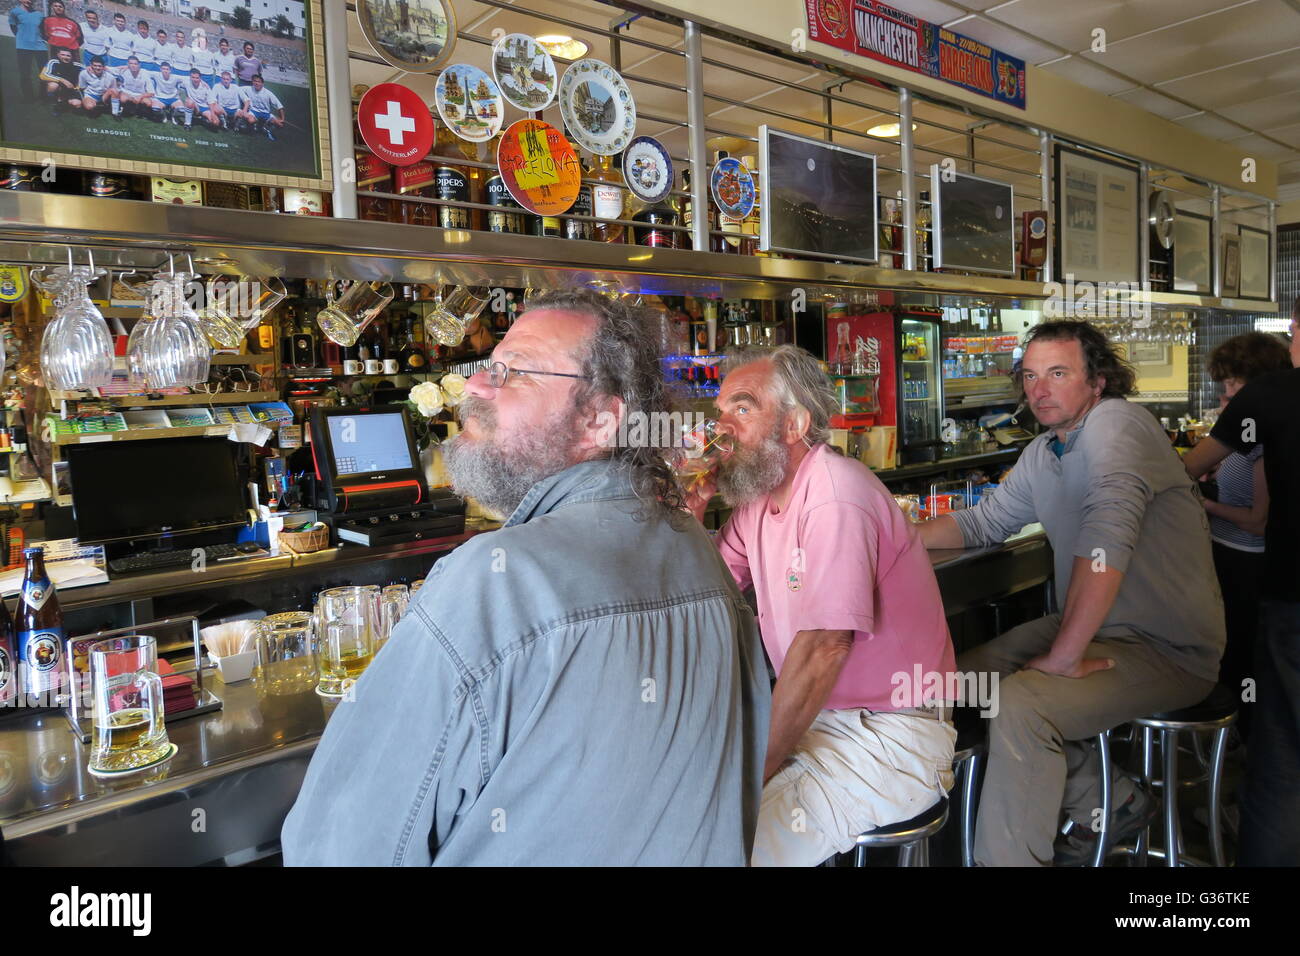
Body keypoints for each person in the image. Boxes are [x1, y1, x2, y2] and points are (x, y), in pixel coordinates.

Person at [281, 291, 770, 866]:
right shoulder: (702, 560)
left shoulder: (494, 583)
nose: (475, 388)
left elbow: (338, 847)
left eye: (512, 374)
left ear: (599, 420)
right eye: (488, 368)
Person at [919, 320, 1224, 866]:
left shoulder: (1119, 424)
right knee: (948, 684)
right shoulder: (1045, 451)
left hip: (1165, 646)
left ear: (1098, 381)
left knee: (1021, 702)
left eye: (1058, 373)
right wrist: (884, 539)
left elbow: (1108, 537)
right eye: (1031, 376)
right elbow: (983, 523)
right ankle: (1110, 797)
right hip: (1090, 627)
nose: (1040, 389)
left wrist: (1063, 657)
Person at [684, 345, 957, 866]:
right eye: (719, 413)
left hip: (888, 736)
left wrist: (751, 771)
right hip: (821, 723)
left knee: (720, 846)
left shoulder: (834, 494)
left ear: (794, 425)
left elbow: (825, 646)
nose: (721, 429)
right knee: (683, 811)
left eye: (741, 409)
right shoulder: (759, 503)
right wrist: (690, 516)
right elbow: (707, 588)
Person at [1183, 302, 1300, 867]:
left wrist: (1193, 494)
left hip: (1280, 592)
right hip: (1265, 584)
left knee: (1279, 755)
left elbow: (1182, 470)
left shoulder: (1272, 399)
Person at [1199, 331, 1291, 738]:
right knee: (1230, 659)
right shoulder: (1247, 433)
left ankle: (1248, 750)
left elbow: (1258, 520)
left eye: (1234, 383)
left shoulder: (1267, 440)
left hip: (1248, 564)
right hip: (1227, 559)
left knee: (1243, 663)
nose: (1228, 391)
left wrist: (1207, 504)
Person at [10, 0, 46, 99]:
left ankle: (43, 96)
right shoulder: (14, 12)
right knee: (25, 73)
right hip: (23, 47)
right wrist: (23, 38)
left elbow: (43, 30)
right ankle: (28, 97)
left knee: (44, 73)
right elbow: (13, 28)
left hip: (40, 47)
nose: (29, 1)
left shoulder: (39, 14)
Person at [240, 74, 284, 141]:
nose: (256, 83)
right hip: (254, 112)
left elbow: (280, 107)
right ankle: (252, 130)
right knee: (250, 120)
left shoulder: (268, 93)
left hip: (266, 114)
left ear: (262, 83)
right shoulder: (249, 88)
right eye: (255, 81)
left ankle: (268, 131)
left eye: (258, 82)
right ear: (252, 82)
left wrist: (282, 118)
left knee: (280, 125)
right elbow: (237, 89)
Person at [39, 46, 81, 114]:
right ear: (58, 55)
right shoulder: (53, 62)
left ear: (71, 57)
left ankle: (62, 103)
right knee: (53, 85)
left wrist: (89, 68)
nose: (65, 57)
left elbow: (87, 70)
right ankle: (53, 101)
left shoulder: (77, 65)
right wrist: (62, 80)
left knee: (76, 104)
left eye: (68, 55)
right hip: (58, 85)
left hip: (70, 88)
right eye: (62, 55)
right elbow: (42, 75)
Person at [104, 11, 132, 76]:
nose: (120, 23)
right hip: (113, 57)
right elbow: (106, 47)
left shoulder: (130, 35)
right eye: (118, 21)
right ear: (114, 21)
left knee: (124, 77)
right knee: (112, 76)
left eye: (122, 21)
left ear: (125, 22)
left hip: (125, 59)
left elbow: (132, 49)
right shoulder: (109, 31)